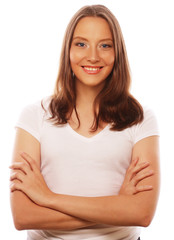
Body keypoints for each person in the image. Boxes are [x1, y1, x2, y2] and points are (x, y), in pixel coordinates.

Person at [10, 4, 160, 240]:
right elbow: (23, 216)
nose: (93, 56)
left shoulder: (140, 118)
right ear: (67, 51)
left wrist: (48, 198)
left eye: (105, 45)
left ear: (117, 53)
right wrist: (117, 208)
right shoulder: (34, 116)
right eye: (81, 44)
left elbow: (141, 213)